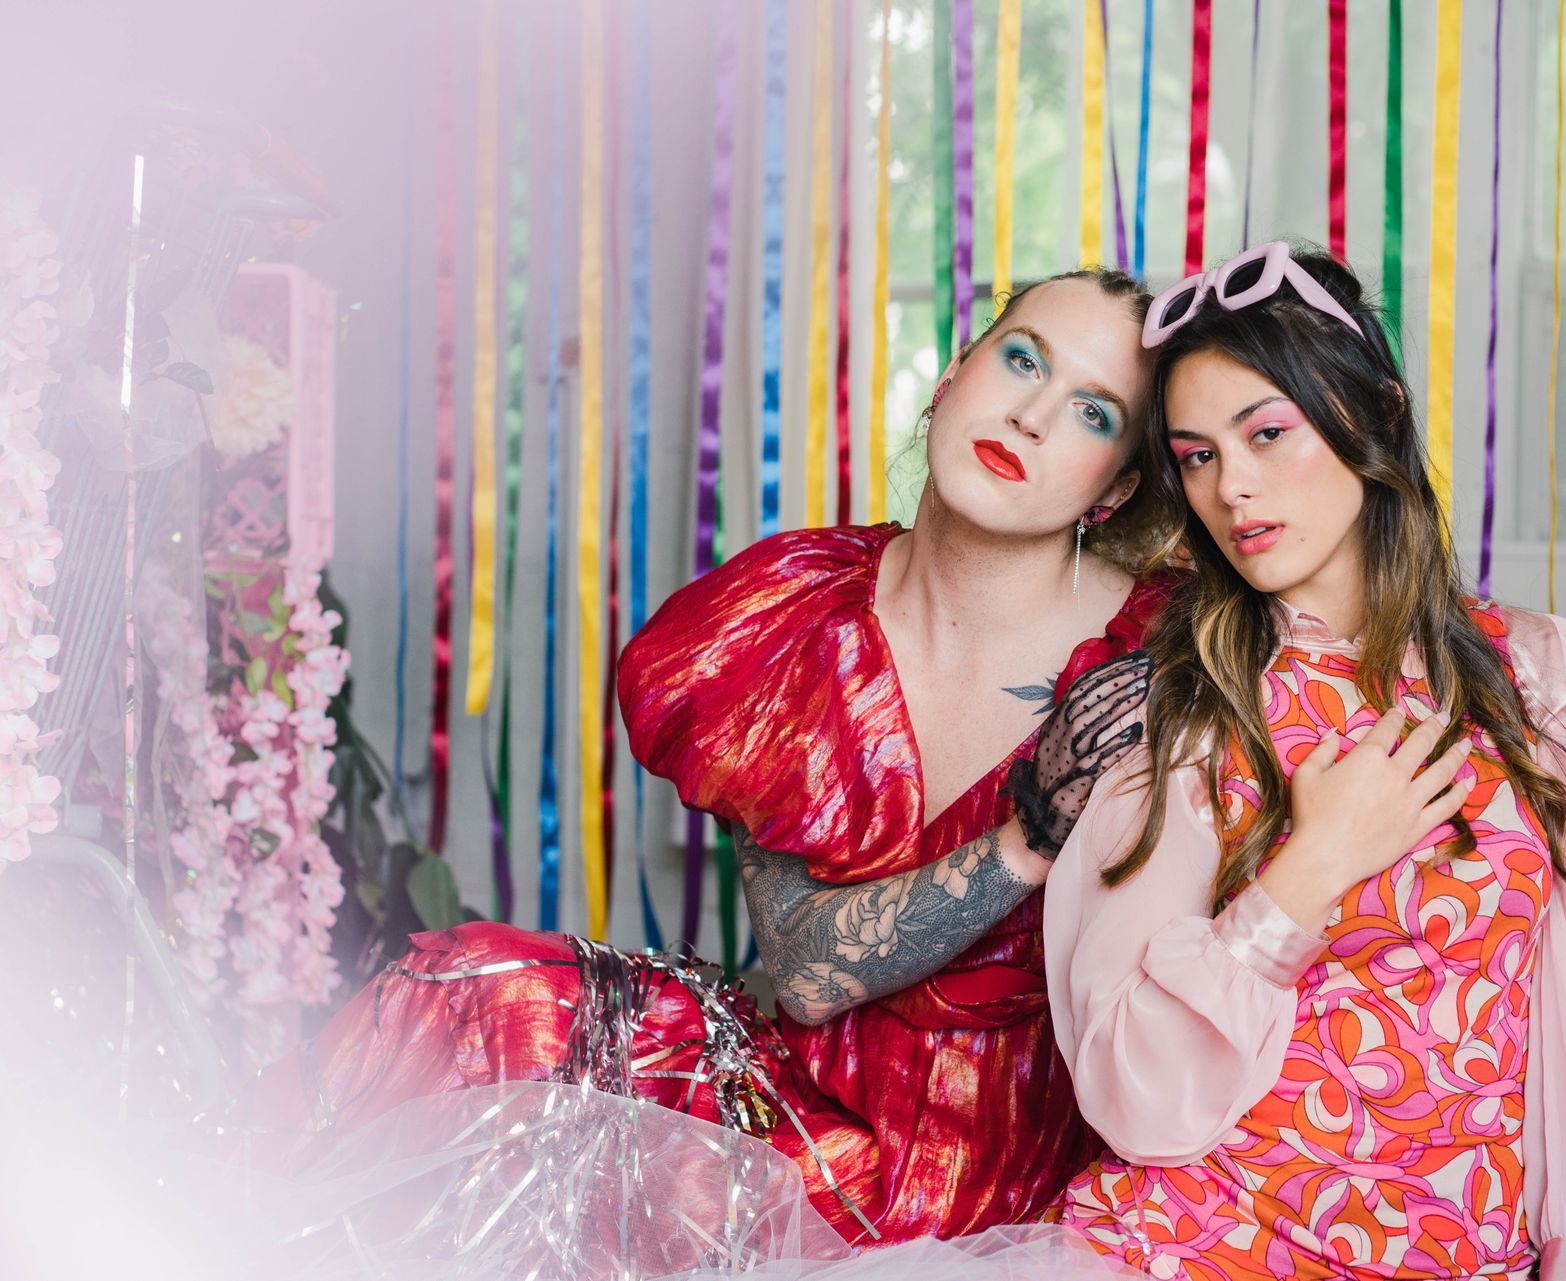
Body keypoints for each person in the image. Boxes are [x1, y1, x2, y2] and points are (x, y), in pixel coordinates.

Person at [279, 267, 1180, 1246]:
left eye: (1093, 412)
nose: (1035, 417)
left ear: (1117, 487)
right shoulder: (787, 615)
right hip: (793, 1118)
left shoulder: (1173, 653)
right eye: (1021, 361)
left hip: (1011, 1174)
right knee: (466, 996)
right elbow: (808, 970)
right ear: (954, 374)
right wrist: (1029, 836)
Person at [1042, 243, 1566, 1281]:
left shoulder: (1543, 678)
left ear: (1372, 413)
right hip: (1201, 1251)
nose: (1232, 488)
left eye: (1267, 433)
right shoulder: (1189, 710)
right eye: (1196, 455)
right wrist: (1313, 864)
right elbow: (1136, 1096)